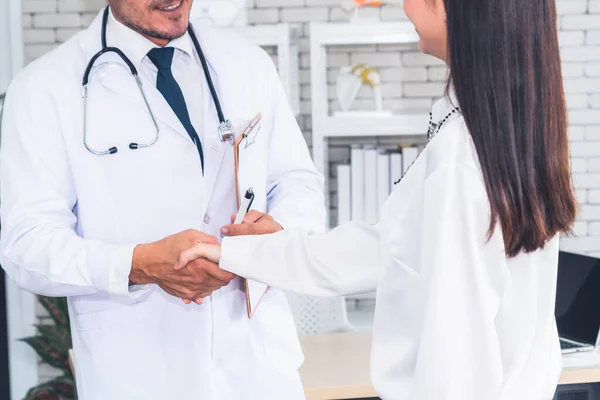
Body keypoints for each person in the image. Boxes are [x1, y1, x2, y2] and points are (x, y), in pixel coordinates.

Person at [179, 0, 578, 398]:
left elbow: (454, 365)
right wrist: (242, 253)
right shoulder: (510, 134)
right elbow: (382, 249)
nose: (406, 6)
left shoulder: (460, 161)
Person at [0, 0, 325, 399]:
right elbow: (27, 245)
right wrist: (138, 265)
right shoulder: (43, 88)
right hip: (139, 374)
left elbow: (297, 183)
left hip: (256, 367)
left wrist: (281, 231)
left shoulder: (247, 63)